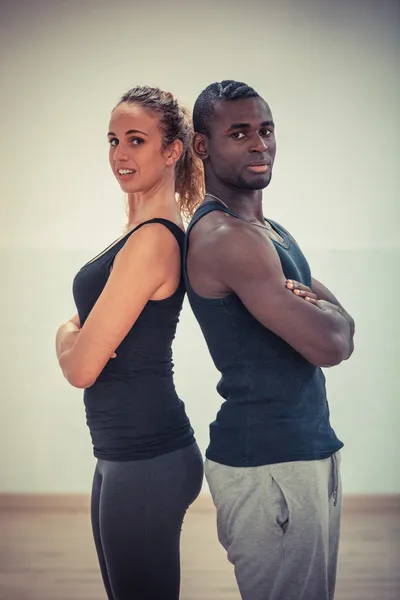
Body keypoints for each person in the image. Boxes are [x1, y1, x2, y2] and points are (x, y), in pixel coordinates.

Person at [183, 80, 355, 600]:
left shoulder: (270, 230)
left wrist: (334, 320)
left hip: (306, 449)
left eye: (266, 130)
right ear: (202, 147)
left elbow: (340, 327)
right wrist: (333, 319)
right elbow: (333, 345)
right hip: (269, 463)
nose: (259, 144)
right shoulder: (227, 238)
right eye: (239, 133)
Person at [55, 86, 204, 600]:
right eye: (113, 140)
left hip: (147, 458)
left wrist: (65, 335)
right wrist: (77, 336)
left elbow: (80, 369)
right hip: (124, 452)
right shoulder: (139, 231)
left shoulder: (154, 239)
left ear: (172, 150)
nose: (120, 153)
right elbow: (84, 334)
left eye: (136, 140)